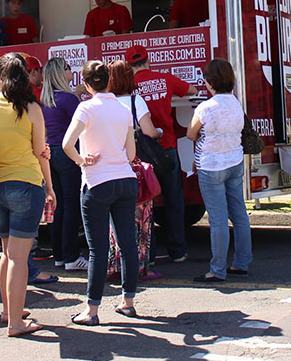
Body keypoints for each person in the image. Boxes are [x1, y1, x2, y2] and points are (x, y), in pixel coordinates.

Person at [0, 53, 55, 337]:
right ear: (25, 77)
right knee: (19, 258)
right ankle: (16, 323)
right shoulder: (31, 108)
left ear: (0, 78)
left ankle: (7, 310)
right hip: (25, 184)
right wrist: (49, 186)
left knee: (7, 252)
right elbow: (40, 151)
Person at [61, 60, 139, 326]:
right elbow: (131, 154)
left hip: (97, 182)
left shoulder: (86, 108)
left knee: (98, 249)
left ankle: (92, 311)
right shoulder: (123, 108)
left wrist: (82, 160)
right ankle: (128, 302)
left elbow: (66, 144)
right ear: (109, 81)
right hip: (126, 181)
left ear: (85, 84)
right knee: (128, 244)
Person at [127, 43, 196, 262]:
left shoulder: (128, 86)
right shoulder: (165, 78)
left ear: (129, 65)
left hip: (142, 151)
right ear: (148, 60)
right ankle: (178, 251)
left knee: (146, 203)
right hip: (167, 148)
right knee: (174, 200)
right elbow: (192, 91)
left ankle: (150, 253)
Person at [185, 59, 253, 281]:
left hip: (211, 164)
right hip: (234, 161)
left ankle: (217, 270)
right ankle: (242, 262)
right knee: (239, 214)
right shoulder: (236, 103)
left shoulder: (206, 107)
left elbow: (191, 134)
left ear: (209, 82)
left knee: (218, 219)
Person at [107, 60, 162, 281]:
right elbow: (148, 131)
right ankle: (139, 266)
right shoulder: (135, 100)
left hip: (109, 167)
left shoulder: (102, 102)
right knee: (140, 219)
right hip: (133, 166)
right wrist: (158, 131)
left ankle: (114, 265)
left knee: (112, 221)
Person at [39, 57, 86, 271]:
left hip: (50, 152)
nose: (71, 71)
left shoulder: (45, 100)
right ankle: (71, 256)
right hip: (67, 153)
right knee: (70, 206)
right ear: (60, 73)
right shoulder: (68, 99)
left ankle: (59, 254)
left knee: (57, 206)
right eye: (68, 68)